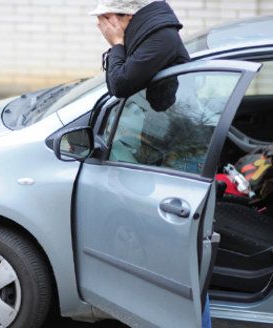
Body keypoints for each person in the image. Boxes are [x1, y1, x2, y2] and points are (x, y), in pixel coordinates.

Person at [90, 2, 211, 328]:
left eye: (105, 19)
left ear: (125, 17)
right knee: (167, 254)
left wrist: (116, 45)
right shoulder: (149, 37)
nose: (100, 26)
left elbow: (121, 85)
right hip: (166, 144)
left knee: (182, 257)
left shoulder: (159, 39)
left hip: (183, 151)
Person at [91, 0, 190, 99]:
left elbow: (119, 86)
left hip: (177, 112)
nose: (103, 26)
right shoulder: (139, 37)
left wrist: (117, 43)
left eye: (106, 19)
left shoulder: (159, 38)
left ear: (128, 15)